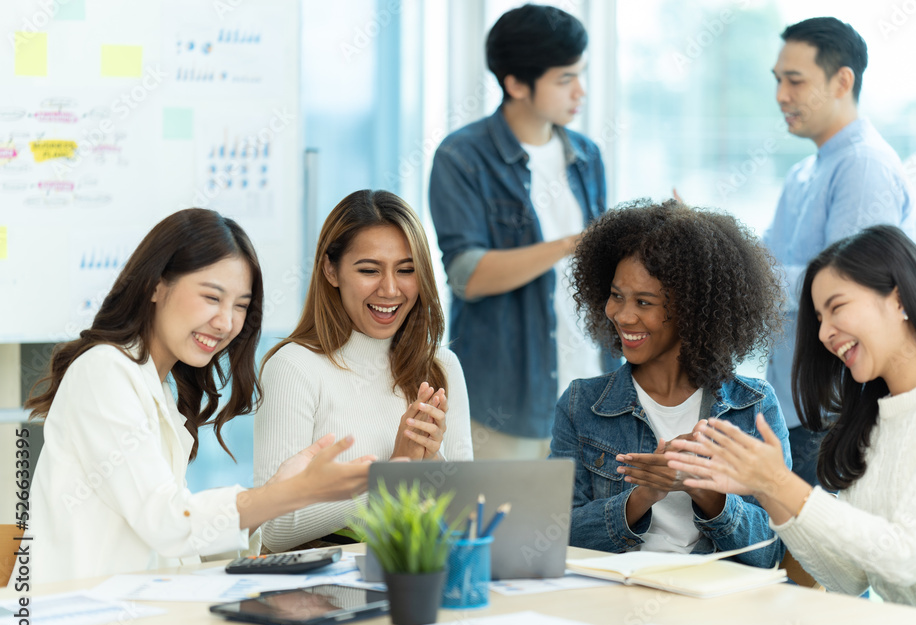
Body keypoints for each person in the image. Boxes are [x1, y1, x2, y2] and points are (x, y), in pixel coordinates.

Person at [666, 225, 916, 622]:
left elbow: (906, 558)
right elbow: (848, 577)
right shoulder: (874, 418)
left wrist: (780, 483)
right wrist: (767, 492)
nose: (824, 333)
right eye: (819, 318)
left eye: (837, 307)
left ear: (899, 298)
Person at [24, 209, 373, 585]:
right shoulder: (104, 371)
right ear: (156, 285)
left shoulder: (157, 387)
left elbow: (177, 540)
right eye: (212, 297)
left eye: (240, 306)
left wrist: (275, 493)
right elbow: (167, 522)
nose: (226, 323)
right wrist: (291, 493)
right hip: (73, 624)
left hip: (134, 614)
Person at [549, 200, 789, 566]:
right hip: (614, 596)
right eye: (616, 296)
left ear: (691, 310)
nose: (623, 315)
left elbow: (772, 551)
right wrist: (643, 496)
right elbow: (553, 536)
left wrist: (704, 488)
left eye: (644, 302)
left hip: (716, 605)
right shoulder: (582, 404)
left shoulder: (753, 406)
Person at [429, 4, 608, 460]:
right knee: (505, 528)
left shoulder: (586, 155)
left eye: (581, 75)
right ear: (515, 84)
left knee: (587, 529)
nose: (580, 91)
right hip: (506, 397)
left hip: (592, 385)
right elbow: (468, 275)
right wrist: (571, 244)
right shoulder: (463, 156)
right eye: (565, 78)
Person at [255, 189, 473, 552]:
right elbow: (274, 529)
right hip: (320, 591)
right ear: (331, 270)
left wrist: (430, 460)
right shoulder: (293, 367)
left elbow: (467, 517)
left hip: (419, 572)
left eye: (406, 270)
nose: (390, 289)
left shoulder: (441, 366)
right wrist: (391, 477)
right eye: (369, 270)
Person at [765, 17, 911, 487]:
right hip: (793, 405)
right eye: (778, 81)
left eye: (795, 80)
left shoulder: (863, 166)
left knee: (826, 556)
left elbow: (850, 288)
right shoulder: (805, 173)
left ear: (842, 81)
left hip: (833, 409)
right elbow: (764, 263)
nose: (781, 95)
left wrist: (740, 273)